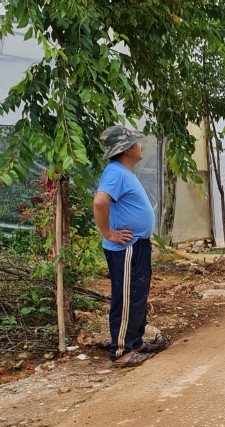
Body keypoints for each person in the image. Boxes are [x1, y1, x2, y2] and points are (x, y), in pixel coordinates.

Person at [93, 125, 169, 367]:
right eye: (136, 143)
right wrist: (107, 233)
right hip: (126, 247)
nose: (140, 146)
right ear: (126, 150)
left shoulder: (124, 172)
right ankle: (121, 350)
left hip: (137, 245)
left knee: (137, 295)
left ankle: (135, 342)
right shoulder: (115, 172)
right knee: (126, 297)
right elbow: (100, 202)